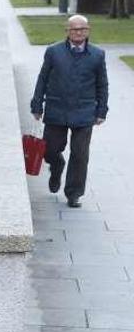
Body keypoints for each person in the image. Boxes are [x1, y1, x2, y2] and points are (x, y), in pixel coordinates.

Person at [30, 15, 109, 208]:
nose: (79, 32)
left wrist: (101, 110)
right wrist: (37, 104)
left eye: (82, 29)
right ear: (68, 31)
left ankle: (74, 193)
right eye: (75, 29)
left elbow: (102, 85)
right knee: (50, 150)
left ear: (88, 30)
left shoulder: (98, 55)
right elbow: (43, 78)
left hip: (84, 112)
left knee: (80, 154)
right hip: (57, 109)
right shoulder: (53, 52)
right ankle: (57, 167)